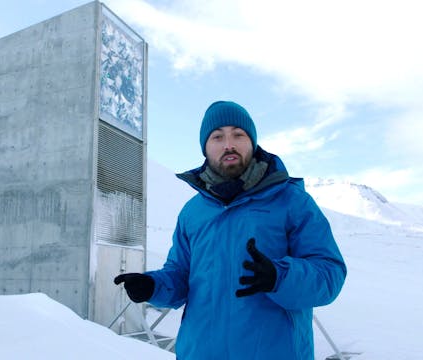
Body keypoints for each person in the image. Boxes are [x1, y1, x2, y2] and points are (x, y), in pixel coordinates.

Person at [114, 101, 347, 359]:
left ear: (252, 142)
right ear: (205, 147)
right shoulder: (193, 212)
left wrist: (280, 277)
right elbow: (180, 275)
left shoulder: (292, 202)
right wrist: (153, 286)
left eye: (238, 134)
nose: (228, 144)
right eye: (217, 136)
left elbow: (330, 274)